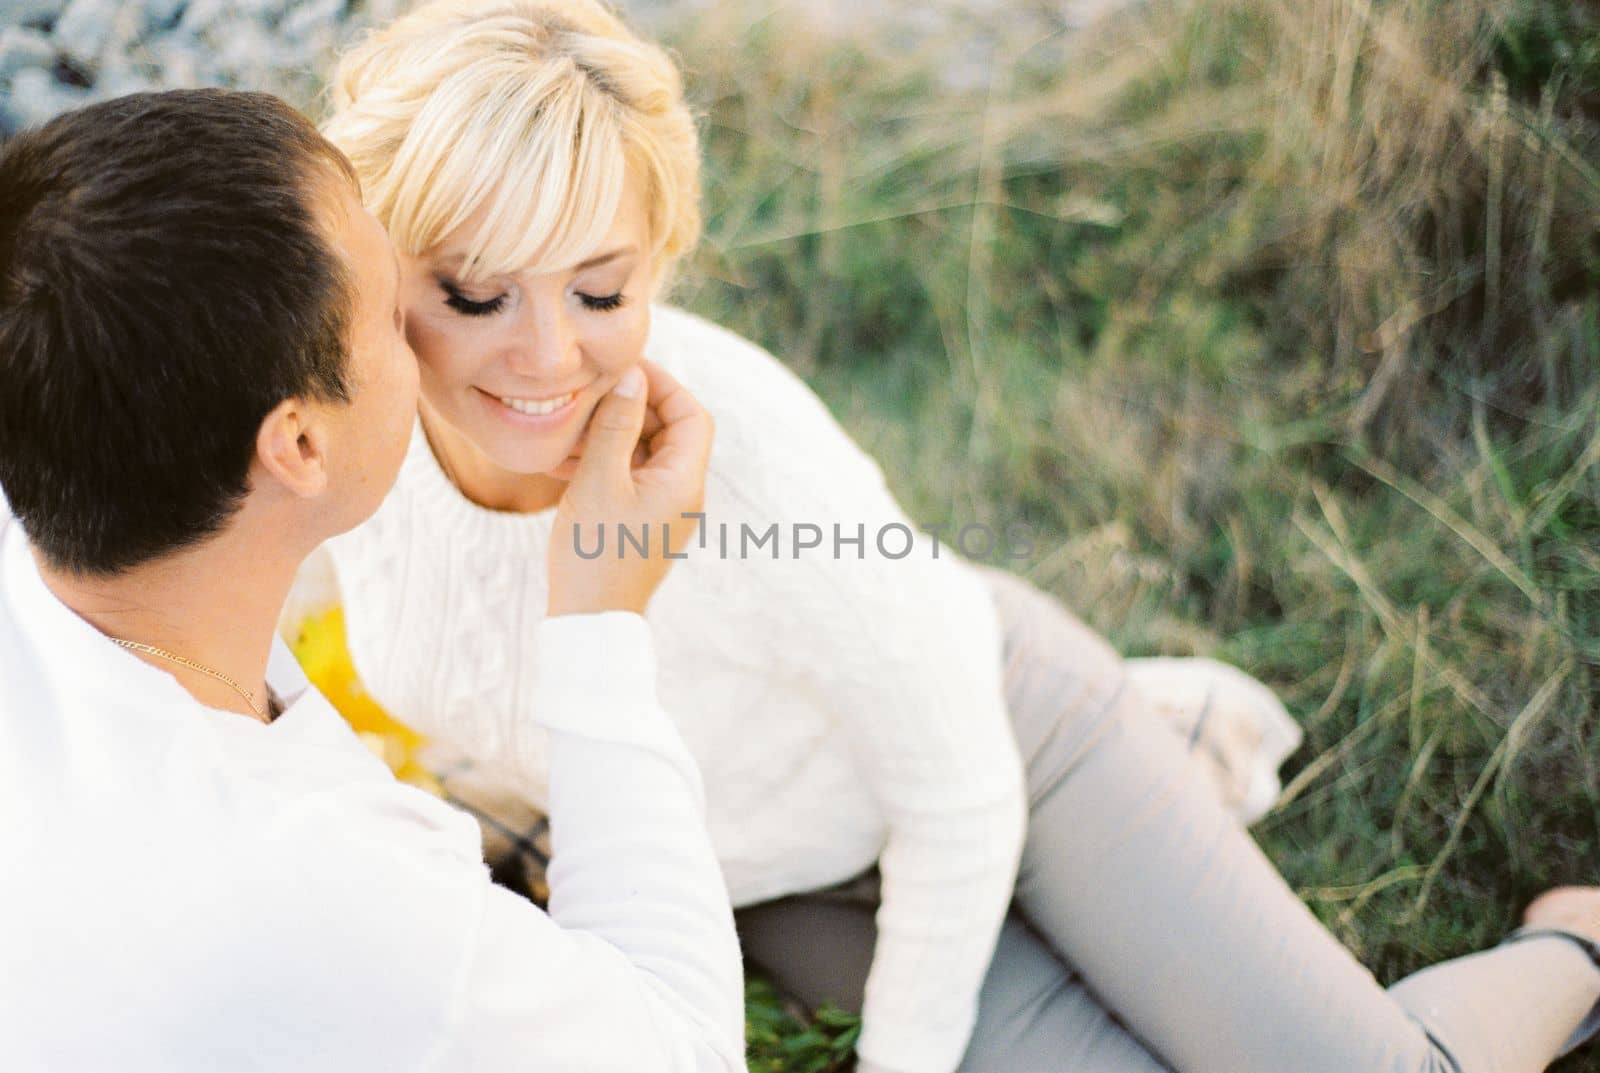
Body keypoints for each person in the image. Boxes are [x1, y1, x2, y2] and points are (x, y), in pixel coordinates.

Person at [313, 2, 1600, 1071]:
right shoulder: (341, 435)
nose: (547, 358)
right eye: (476, 292)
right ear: (382, 276)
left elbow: (957, 789)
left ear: (662, 259)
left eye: (601, 289)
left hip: (993, 755)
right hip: (785, 875)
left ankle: (1569, 946)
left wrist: (904, 1063)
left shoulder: (754, 467)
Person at [0, 88, 743, 1072]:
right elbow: (686, 1049)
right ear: (298, 441)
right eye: (397, 315)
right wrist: (598, 624)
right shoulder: (348, 906)